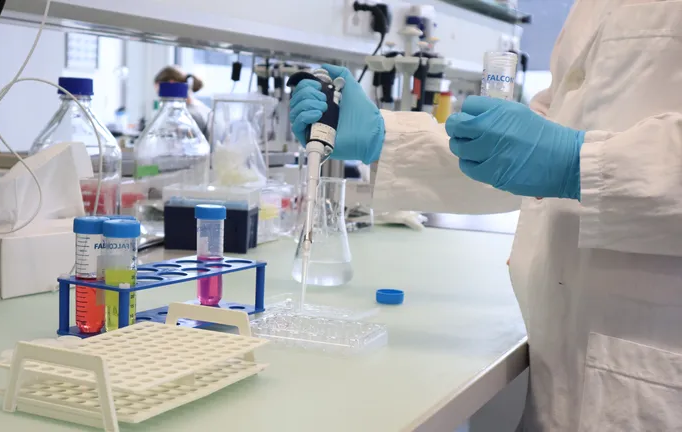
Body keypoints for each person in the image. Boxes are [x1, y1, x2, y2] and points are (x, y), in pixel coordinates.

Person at [289, 1, 682, 430]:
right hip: (571, 363)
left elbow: (559, 153)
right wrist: (385, 138)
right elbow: (532, 143)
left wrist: (579, 163)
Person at [154, 66, 212, 136]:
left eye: (159, 92)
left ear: (171, 83)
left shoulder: (187, 115)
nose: (160, 97)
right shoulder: (200, 107)